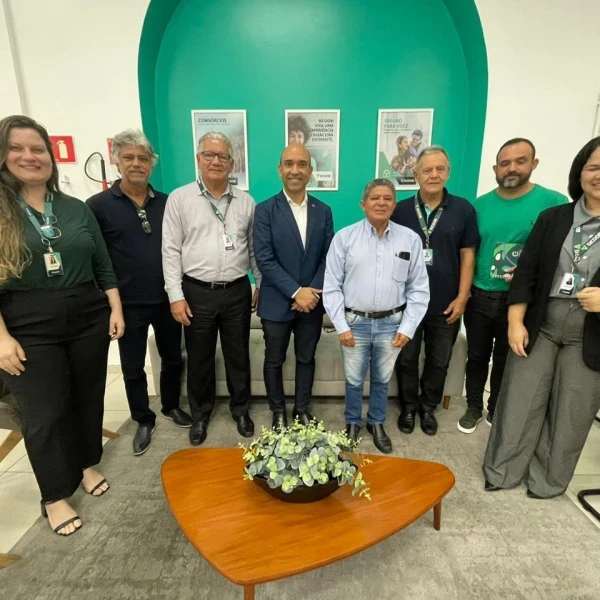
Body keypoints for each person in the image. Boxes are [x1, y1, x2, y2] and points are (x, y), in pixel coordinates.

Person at [0, 115, 124, 536]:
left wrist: (115, 309)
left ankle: (85, 463)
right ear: (3, 156)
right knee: (46, 411)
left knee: (87, 398)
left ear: (50, 157)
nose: (29, 157)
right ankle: (54, 495)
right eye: (17, 148)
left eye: (37, 149)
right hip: (26, 322)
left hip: (88, 313)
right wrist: (1, 338)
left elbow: (102, 264)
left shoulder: (74, 208)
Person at [483, 136, 600, 499]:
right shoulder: (554, 218)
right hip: (542, 325)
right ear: (580, 172)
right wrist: (515, 322)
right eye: (593, 167)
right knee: (519, 401)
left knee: (571, 411)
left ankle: (548, 480)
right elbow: (526, 274)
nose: (598, 176)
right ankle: (502, 470)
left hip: (591, 334)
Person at [87, 129, 190, 457]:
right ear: (116, 161)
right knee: (132, 366)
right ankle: (143, 418)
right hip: (127, 303)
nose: (136, 164)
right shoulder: (97, 206)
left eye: (143, 158)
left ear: (151, 164)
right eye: (128, 157)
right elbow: (95, 259)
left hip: (167, 297)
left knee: (172, 357)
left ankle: (170, 405)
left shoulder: (168, 202)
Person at [459, 138, 568, 434]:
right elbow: (469, 252)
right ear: (495, 168)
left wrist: (532, 270)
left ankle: (496, 407)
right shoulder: (478, 206)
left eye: (520, 161)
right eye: (505, 163)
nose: (511, 168)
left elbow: (564, 251)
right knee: (477, 355)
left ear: (534, 164)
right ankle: (473, 407)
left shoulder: (553, 203)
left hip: (522, 300)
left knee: (507, 358)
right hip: (481, 294)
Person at [162, 132, 261, 446]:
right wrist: (175, 296)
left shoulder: (246, 201)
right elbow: (170, 250)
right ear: (199, 159)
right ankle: (201, 415)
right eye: (209, 155)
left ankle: (240, 410)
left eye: (223, 156)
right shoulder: (180, 198)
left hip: (236, 290)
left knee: (238, 355)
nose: (216, 161)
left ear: (232, 163)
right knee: (200, 357)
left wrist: (259, 282)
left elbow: (254, 249)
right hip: (196, 292)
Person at [323, 178, 429, 453]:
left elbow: (419, 288)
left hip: (392, 323)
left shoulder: (410, 239)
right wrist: (341, 325)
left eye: (387, 198)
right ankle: (352, 422)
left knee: (382, 379)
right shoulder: (344, 238)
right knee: (354, 379)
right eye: (375, 198)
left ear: (394, 205)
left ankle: (376, 422)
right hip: (354, 323)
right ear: (363, 204)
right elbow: (331, 286)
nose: (381, 203)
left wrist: (407, 327)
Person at [392, 146, 479, 435]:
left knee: (439, 361)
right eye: (427, 170)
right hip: (407, 304)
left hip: (446, 303)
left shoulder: (463, 210)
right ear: (415, 174)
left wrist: (463, 297)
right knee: (406, 359)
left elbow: (468, 255)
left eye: (440, 169)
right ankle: (408, 406)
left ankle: (428, 407)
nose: (434, 175)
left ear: (448, 173)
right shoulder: (401, 210)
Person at [253, 144, 334, 429]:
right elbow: (264, 258)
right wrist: (296, 292)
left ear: (310, 171)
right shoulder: (264, 210)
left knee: (306, 358)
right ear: (280, 169)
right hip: (277, 301)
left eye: (301, 164)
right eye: (289, 164)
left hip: (312, 303)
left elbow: (329, 257)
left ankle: (301, 409)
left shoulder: (323, 211)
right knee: (273, 359)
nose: (295, 170)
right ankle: (278, 411)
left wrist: (310, 292)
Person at [287, 114, 319, 187]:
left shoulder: (311, 161)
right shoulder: (282, 160)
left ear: (304, 139)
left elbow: (314, 185)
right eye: (292, 136)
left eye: (300, 136)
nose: (296, 140)